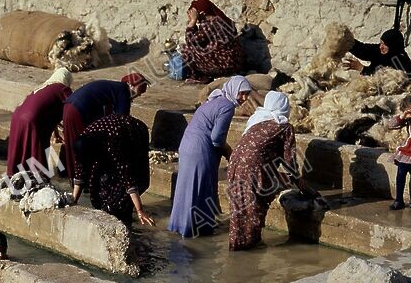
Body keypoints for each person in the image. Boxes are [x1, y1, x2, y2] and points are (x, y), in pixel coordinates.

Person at [169, 76, 253, 237]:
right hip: (200, 149)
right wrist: (228, 150)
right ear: (233, 91)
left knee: (186, 187)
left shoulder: (215, 100)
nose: (244, 98)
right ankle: (196, 229)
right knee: (201, 187)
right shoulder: (227, 106)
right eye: (241, 93)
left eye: (247, 94)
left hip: (187, 145)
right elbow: (216, 138)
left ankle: (180, 226)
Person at [227, 91, 306, 250]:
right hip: (253, 169)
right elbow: (289, 160)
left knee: (239, 207)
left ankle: (237, 245)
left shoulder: (257, 120)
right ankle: (250, 247)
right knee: (254, 207)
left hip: (235, 165)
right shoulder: (283, 127)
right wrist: (298, 180)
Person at [62, 73, 150, 181]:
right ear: (130, 85)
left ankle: (75, 178)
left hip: (69, 107)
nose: (139, 95)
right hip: (79, 111)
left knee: (74, 144)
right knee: (85, 147)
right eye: (139, 91)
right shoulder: (123, 91)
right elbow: (122, 120)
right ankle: (84, 179)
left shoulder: (114, 88)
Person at [72, 113, 154, 227]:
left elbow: (128, 178)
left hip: (133, 134)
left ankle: (125, 218)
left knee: (121, 197)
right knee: (97, 187)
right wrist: (73, 201)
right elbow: (80, 174)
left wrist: (140, 210)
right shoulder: (82, 143)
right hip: (109, 137)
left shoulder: (112, 145)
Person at [7, 67, 73, 178]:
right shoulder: (62, 88)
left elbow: (47, 109)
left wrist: (57, 134)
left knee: (19, 148)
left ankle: (14, 177)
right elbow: (73, 107)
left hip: (17, 118)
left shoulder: (42, 88)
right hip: (32, 120)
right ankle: (38, 178)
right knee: (36, 148)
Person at [180, 0, 243, 84]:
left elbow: (190, 41)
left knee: (186, 49)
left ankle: (199, 77)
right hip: (234, 62)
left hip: (224, 65)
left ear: (202, 13)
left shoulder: (210, 25)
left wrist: (192, 22)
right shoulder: (222, 20)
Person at [345, 29, 411, 75]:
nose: (380, 47)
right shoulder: (382, 51)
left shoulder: (401, 62)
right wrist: (347, 40)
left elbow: (385, 81)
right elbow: (363, 50)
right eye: (381, 43)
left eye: (384, 44)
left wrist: (362, 69)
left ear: (393, 46)